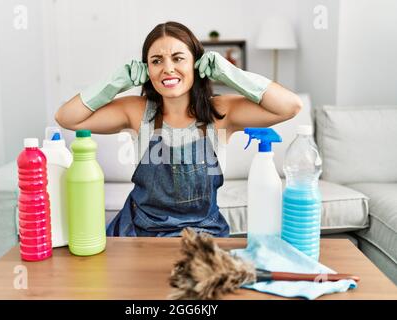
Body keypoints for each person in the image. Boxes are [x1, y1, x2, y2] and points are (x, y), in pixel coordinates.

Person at [55, 21, 302, 237]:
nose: (168, 68)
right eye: (156, 61)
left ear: (196, 63)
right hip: (138, 234)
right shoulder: (137, 111)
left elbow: (290, 106)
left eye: (178, 58)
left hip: (203, 236)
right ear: (146, 70)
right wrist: (115, 82)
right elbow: (67, 117)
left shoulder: (220, 112)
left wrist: (230, 73)